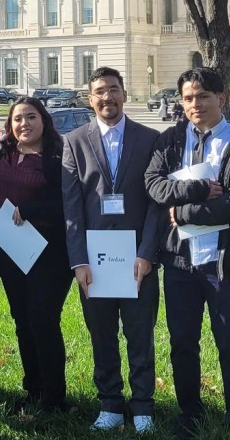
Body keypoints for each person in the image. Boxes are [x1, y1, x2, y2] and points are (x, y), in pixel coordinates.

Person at [144, 67, 230, 435]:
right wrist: (195, 193)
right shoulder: (170, 140)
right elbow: (155, 187)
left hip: (222, 260)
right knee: (182, 342)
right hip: (179, 260)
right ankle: (189, 412)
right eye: (189, 97)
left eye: (204, 96)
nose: (196, 104)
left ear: (221, 98)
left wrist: (182, 212)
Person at [61, 67, 162, 433]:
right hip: (95, 261)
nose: (108, 98)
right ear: (90, 99)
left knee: (140, 334)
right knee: (101, 334)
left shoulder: (150, 138)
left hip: (138, 259)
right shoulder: (73, 141)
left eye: (114, 90)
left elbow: (156, 203)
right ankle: (110, 403)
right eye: (100, 92)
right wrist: (79, 261)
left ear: (124, 93)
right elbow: (71, 207)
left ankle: (143, 405)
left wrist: (148, 254)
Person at [0, 97, 72, 413]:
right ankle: (34, 388)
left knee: (43, 320)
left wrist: (31, 209)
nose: (24, 124)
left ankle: (55, 397)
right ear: (10, 125)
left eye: (31, 117)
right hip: (11, 253)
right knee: (22, 322)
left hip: (49, 256)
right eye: (18, 119)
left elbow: (68, 201)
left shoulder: (58, 157)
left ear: (43, 121)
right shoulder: (4, 155)